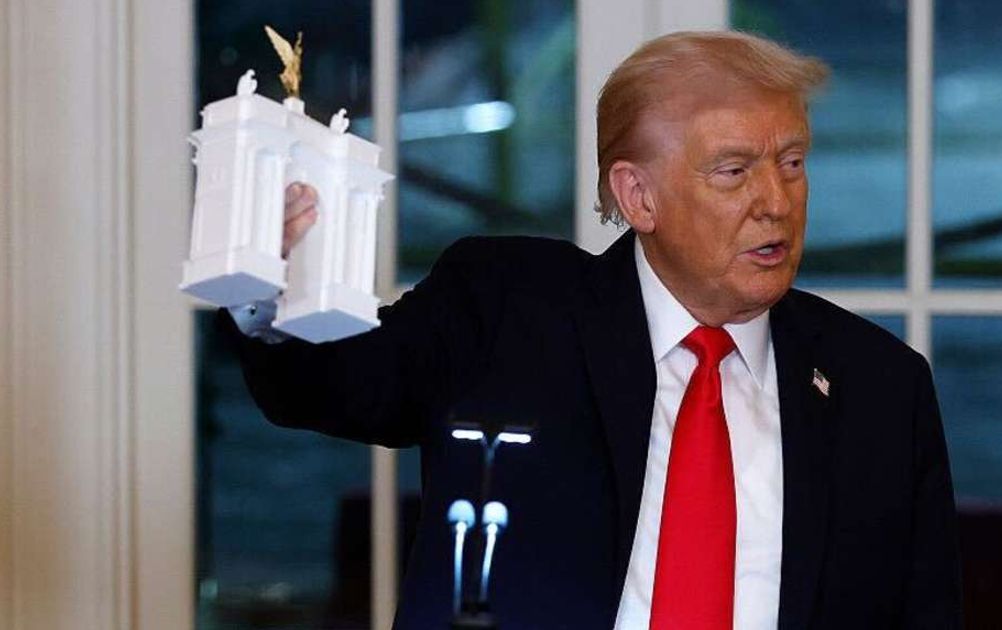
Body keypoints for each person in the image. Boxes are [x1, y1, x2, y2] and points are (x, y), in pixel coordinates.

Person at [223, 30, 962, 629]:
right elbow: (333, 384)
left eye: (792, 162)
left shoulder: (880, 386)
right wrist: (274, 282)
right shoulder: (509, 309)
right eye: (734, 172)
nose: (776, 200)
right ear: (637, 195)